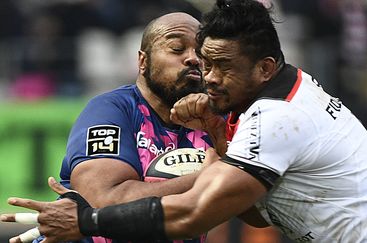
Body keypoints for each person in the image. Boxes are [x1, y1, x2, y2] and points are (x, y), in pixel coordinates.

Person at [3, 0, 367, 242]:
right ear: (142, 60)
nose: (205, 73)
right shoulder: (113, 110)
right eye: (192, 56)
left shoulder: (272, 119)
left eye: (219, 64)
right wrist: (216, 151)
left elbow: (206, 213)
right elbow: (260, 209)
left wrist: (86, 219)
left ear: (264, 69)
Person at [4, 12, 229, 243]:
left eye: (201, 53)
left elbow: (255, 202)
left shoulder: (216, 119)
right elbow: (105, 201)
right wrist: (212, 178)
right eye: (177, 48)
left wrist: (219, 137)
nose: (193, 59)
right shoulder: (110, 109)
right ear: (143, 61)